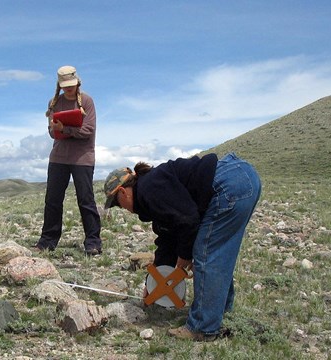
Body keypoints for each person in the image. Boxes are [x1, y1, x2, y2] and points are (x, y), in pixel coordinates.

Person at [103, 152, 261, 341]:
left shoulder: (149, 190)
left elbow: (187, 220)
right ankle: (222, 312)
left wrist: (185, 256)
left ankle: (202, 327)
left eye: (118, 204)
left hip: (228, 185)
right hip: (241, 177)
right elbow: (168, 236)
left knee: (206, 256)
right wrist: (154, 281)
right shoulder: (151, 189)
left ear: (123, 192)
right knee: (218, 254)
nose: (122, 209)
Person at [35, 65, 102, 256]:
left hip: (83, 158)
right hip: (58, 157)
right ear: (60, 85)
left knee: (85, 200)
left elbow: (88, 130)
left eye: (71, 85)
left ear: (77, 82)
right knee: (53, 200)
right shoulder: (54, 102)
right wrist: (58, 129)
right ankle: (47, 241)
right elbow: (51, 132)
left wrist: (65, 129)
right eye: (65, 86)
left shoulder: (87, 101)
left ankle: (93, 242)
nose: (68, 88)